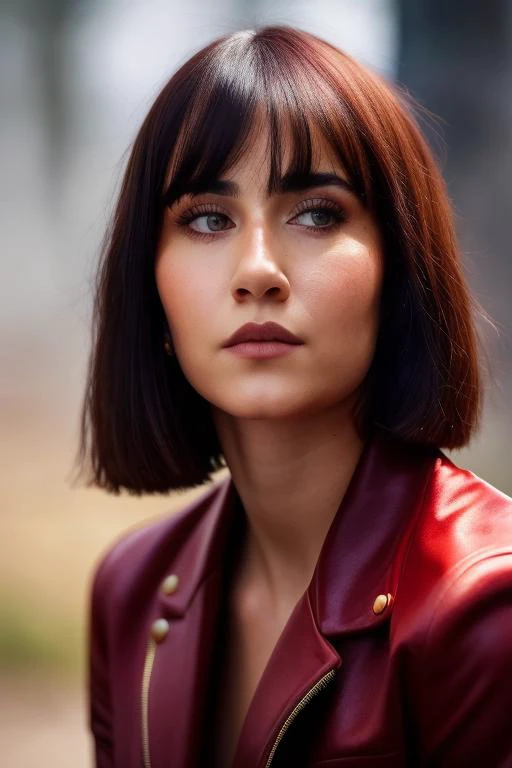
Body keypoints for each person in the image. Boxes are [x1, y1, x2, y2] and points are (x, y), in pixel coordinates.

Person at [79, 25, 512, 768]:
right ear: (150, 289)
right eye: (207, 219)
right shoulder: (132, 591)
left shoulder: (487, 604)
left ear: (398, 267)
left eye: (316, 213)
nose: (258, 271)